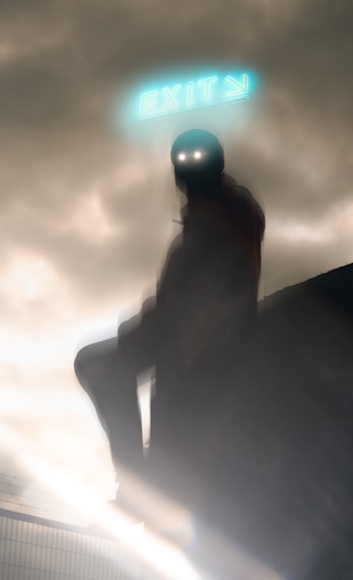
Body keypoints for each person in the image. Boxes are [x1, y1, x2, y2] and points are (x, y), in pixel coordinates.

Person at [74, 129, 265, 517]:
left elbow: (199, 296)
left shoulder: (222, 220)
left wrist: (154, 330)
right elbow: (178, 295)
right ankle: (134, 477)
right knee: (96, 365)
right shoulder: (206, 224)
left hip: (192, 344)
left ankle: (135, 479)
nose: (184, 181)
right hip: (179, 338)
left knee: (97, 366)